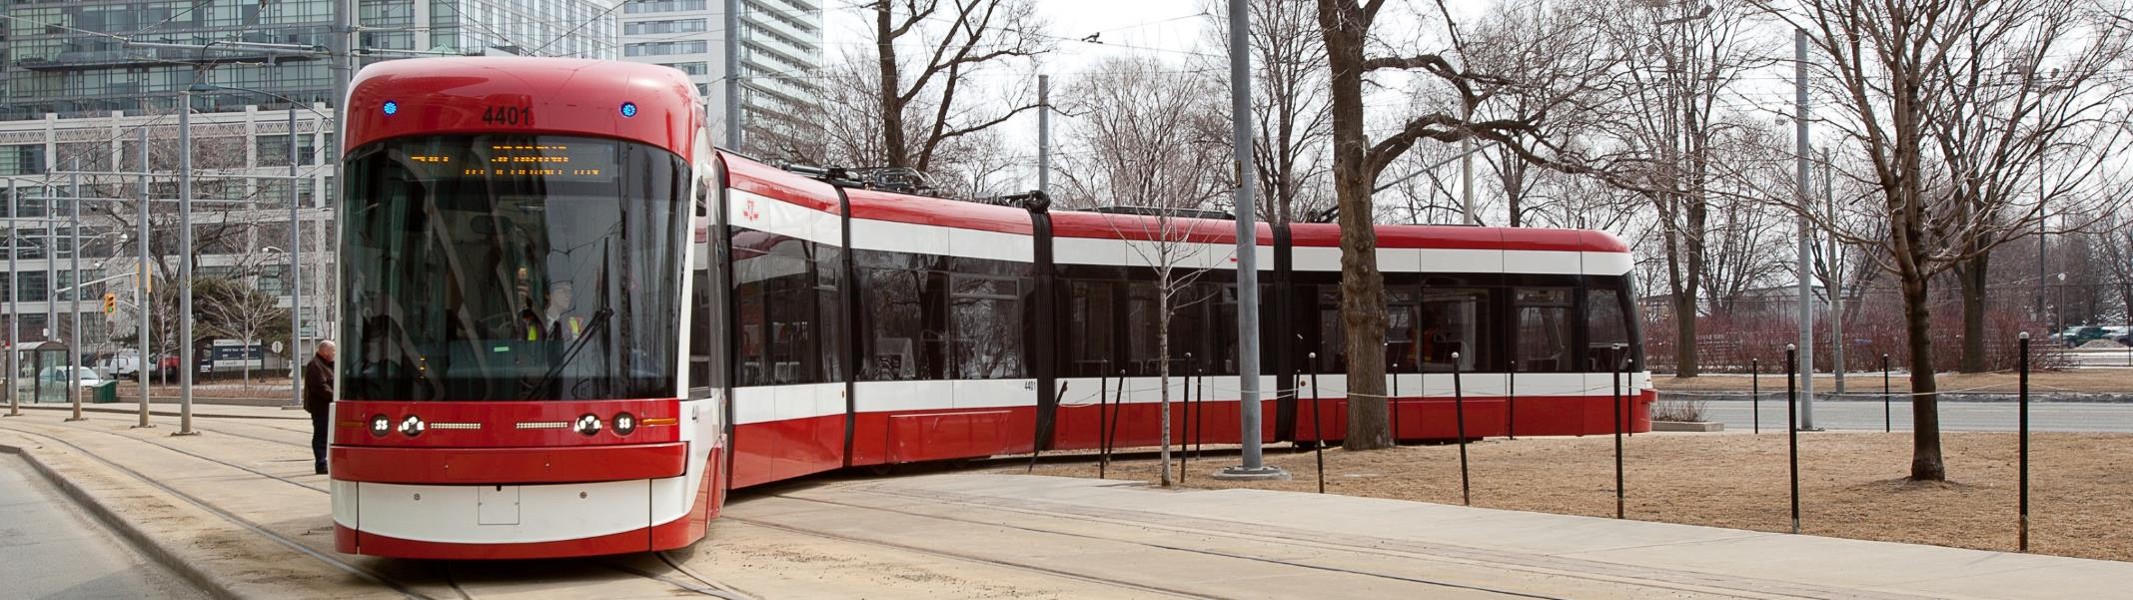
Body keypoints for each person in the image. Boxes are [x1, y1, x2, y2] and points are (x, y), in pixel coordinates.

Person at [303, 341, 337, 475]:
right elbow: (320, 387)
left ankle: (326, 461)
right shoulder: (315, 365)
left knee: (327, 435)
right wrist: (336, 396)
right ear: (325, 351)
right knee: (321, 435)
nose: (334, 353)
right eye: (333, 350)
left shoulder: (328, 364)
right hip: (321, 408)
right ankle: (321, 463)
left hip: (328, 406)